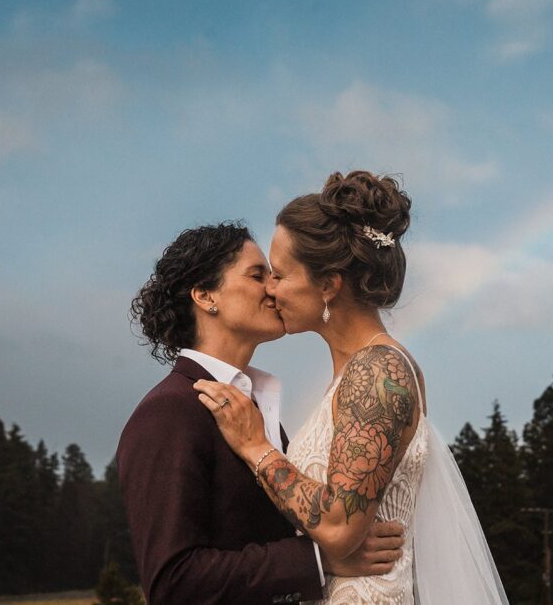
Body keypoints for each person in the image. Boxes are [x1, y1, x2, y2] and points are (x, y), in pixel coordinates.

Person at [194, 172, 508, 603]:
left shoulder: (377, 371)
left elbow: (340, 527)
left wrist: (255, 446)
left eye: (280, 274)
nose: (269, 289)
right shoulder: (354, 374)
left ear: (327, 284)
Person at [117, 222, 405, 605]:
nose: (274, 288)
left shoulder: (256, 405)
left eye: (274, 275)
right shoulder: (168, 412)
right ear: (205, 295)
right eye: (258, 275)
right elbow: (173, 583)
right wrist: (319, 559)